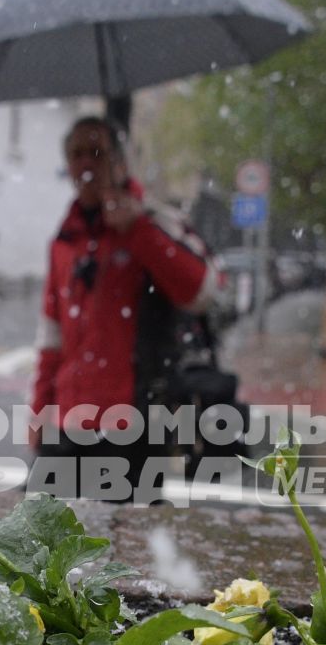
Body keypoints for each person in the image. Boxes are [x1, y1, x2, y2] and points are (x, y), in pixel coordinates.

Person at [28, 115, 217, 500]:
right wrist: (40, 411)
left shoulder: (154, 219)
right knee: (43, 545)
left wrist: (137, 229)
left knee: (127, 546)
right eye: (77, 154)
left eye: (96, 152)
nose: (86, 164)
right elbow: (51, 335)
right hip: (68, 422)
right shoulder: (65, 239)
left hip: (134, 424)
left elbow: (202, 291)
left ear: (119, 163)